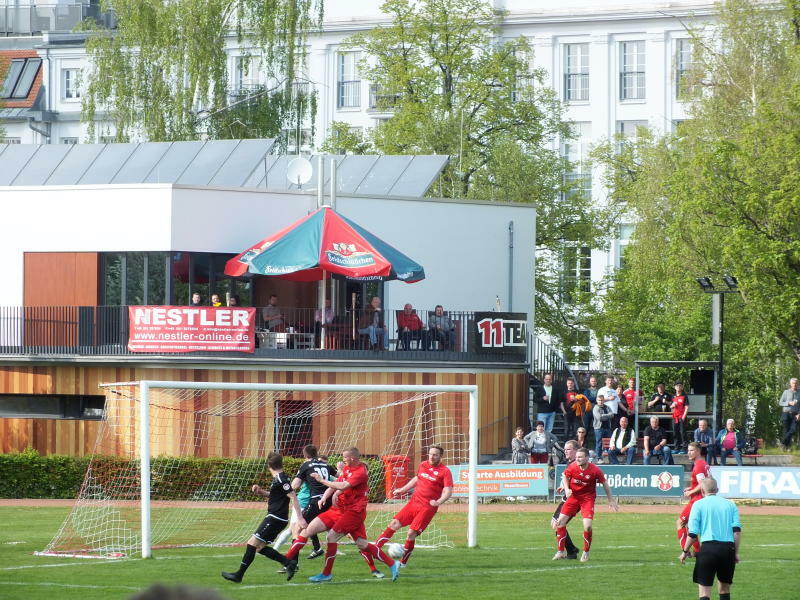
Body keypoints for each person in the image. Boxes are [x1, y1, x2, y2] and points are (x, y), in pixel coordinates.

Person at [282, 447, 399, 583]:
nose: (343, 460)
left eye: (345, 458)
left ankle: (326, 574)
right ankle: (286, 560)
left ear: (352, 458)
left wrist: (321, 480)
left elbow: (343, 486)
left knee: (335, 537)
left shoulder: (361, 472)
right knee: (308, 529)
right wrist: (324, 497)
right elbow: (337, 484)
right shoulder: (348, 469)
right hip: (338, 510)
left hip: (353, 512)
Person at [221, 452, 305, 583]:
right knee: (260, 547)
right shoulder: (279, 478)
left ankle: (238, 575)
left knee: (251, 543)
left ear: (269, 465)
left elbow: (293, 496)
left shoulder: (281, 479)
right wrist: (260, 492)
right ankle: (289, 563)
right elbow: (276, 495)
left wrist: (300, 518)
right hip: (277, 518)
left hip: (275, 518)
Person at [373, 445, 453, 568]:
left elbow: (448, 491)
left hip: (427, 507)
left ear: (440, 456)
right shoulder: (423, 465)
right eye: (430, 454)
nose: (432, 456)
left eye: (435, 454)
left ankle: (403, 563)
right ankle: (374, 550)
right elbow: (417, 479)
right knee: (394, 524)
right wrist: (402, 489)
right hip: (413, 502)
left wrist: (439, 501)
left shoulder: (445, 471)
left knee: (411, 534)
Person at [679, 478, 741, 600]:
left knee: (704, 592)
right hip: (727, 549)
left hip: (708, 549)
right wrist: (735, 553)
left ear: (702, 490)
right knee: (724, 588)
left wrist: (685, 551)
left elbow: (692, 534)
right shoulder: (730, 505)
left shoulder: (698, 505)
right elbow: (737, 532)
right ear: (717, 490)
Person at [553, 447, 618, 562]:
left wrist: (611, 500)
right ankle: (561, 551)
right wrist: (566, 488)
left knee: (587, 526)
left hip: (587, 499)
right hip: (573, 498)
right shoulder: (573, 466)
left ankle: (586, 552)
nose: (577, 459)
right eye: (577, 457)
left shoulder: (595, 470)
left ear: (587, 458)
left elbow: (605, 484)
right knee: (559, 523)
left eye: (580, 457)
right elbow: (565, 476)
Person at [289, 445, 337, 561]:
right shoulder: (326, 465)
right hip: (328, 502)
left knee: (297, 527)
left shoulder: (306, 465)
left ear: (305, 455)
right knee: (333, 530)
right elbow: (340, 478)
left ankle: (292, 562)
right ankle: (317, 548)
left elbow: (295, 485)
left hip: (316, 502)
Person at [677, 442, 711, 557]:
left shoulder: (699, 465)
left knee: (680, 523)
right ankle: (697, 552)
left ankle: (686, 551)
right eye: (688, 450)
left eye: (691, 450)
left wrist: (691, 492)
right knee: (691, 526)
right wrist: (691, 487)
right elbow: (704, 481)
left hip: (697, 500)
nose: (689, 453)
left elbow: (703, 484)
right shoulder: (703, 464)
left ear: (698, 451)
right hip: (700, 499)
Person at [549, 439, 581, 560]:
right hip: (568, 498)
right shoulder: (571, 463)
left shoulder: (577, 463)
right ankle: (571, 549)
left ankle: (568, 551)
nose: (566, 451)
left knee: (558, 524)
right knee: (556, 524)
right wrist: (564, 486)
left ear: (576, 451)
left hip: (573, 499)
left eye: (568, 449)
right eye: (565, 449)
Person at [779, 377, 800, 449]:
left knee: (793, 430)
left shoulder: (799, 392)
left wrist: (799, 414)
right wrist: (788, 403)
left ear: (798, 384)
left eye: (796, 383)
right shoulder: (786, 392)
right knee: (786, 430)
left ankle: (783, 442)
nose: (795, 384)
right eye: (793, 383)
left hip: (795, 414)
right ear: (790, 384)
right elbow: (780, 403)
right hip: (786, 413)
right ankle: (786, 446)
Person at [671, 382, 690, 453]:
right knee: (675, 433)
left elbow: (687, 407)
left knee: (683, 432)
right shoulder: (673, 396)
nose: (678, 387)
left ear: (682, 387)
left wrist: (684, 416)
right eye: (677, 386)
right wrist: (672, 406)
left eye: (680, 386)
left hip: (681, 417)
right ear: (675, 387)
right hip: (674, 417)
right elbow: (671, 407)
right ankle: (676, 448)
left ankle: (684, 448)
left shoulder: (685, 396)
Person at [582, 375, 599, 445]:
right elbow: (587, 398)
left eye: (594, 381)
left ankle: (597, 445)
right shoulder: (587, 390)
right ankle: (584, 444)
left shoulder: (599, 390)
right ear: (590, 382)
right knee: (586, 427)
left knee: (597, 428)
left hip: (597, 411)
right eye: (592, 381)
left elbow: (601, 398)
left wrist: (592, 399)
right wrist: (596, 399)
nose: (593, 382)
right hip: (588, 411)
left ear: (596, 382)